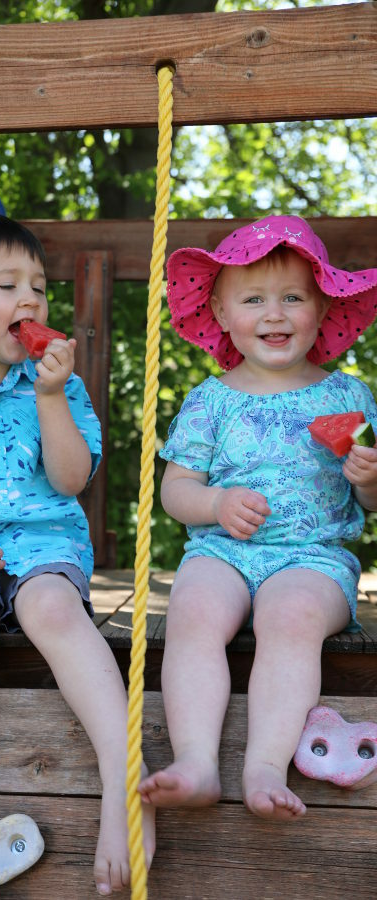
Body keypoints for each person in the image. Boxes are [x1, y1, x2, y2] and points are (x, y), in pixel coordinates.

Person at [0, 215, 155, 899]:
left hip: (45, 548)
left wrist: (48, 397)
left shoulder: (59, 388)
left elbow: (72, 479)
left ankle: (123, 784)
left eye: (39, 288)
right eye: (7, 284)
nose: (31, 302)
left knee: (53, 609)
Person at [138, 214, 377, 821]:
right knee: (191, 610)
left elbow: (374, 503)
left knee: (290, 616)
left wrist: (371, 480)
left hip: (314, 559)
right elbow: (176, 490)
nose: (275, 314)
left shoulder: (347, 396)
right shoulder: (210, 399)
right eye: (253, 299)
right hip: (222, 551)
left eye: (293, 297)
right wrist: (215, 503)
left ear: (322, 309)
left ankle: (265, 764)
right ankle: (195, 761)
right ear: (220, 314)